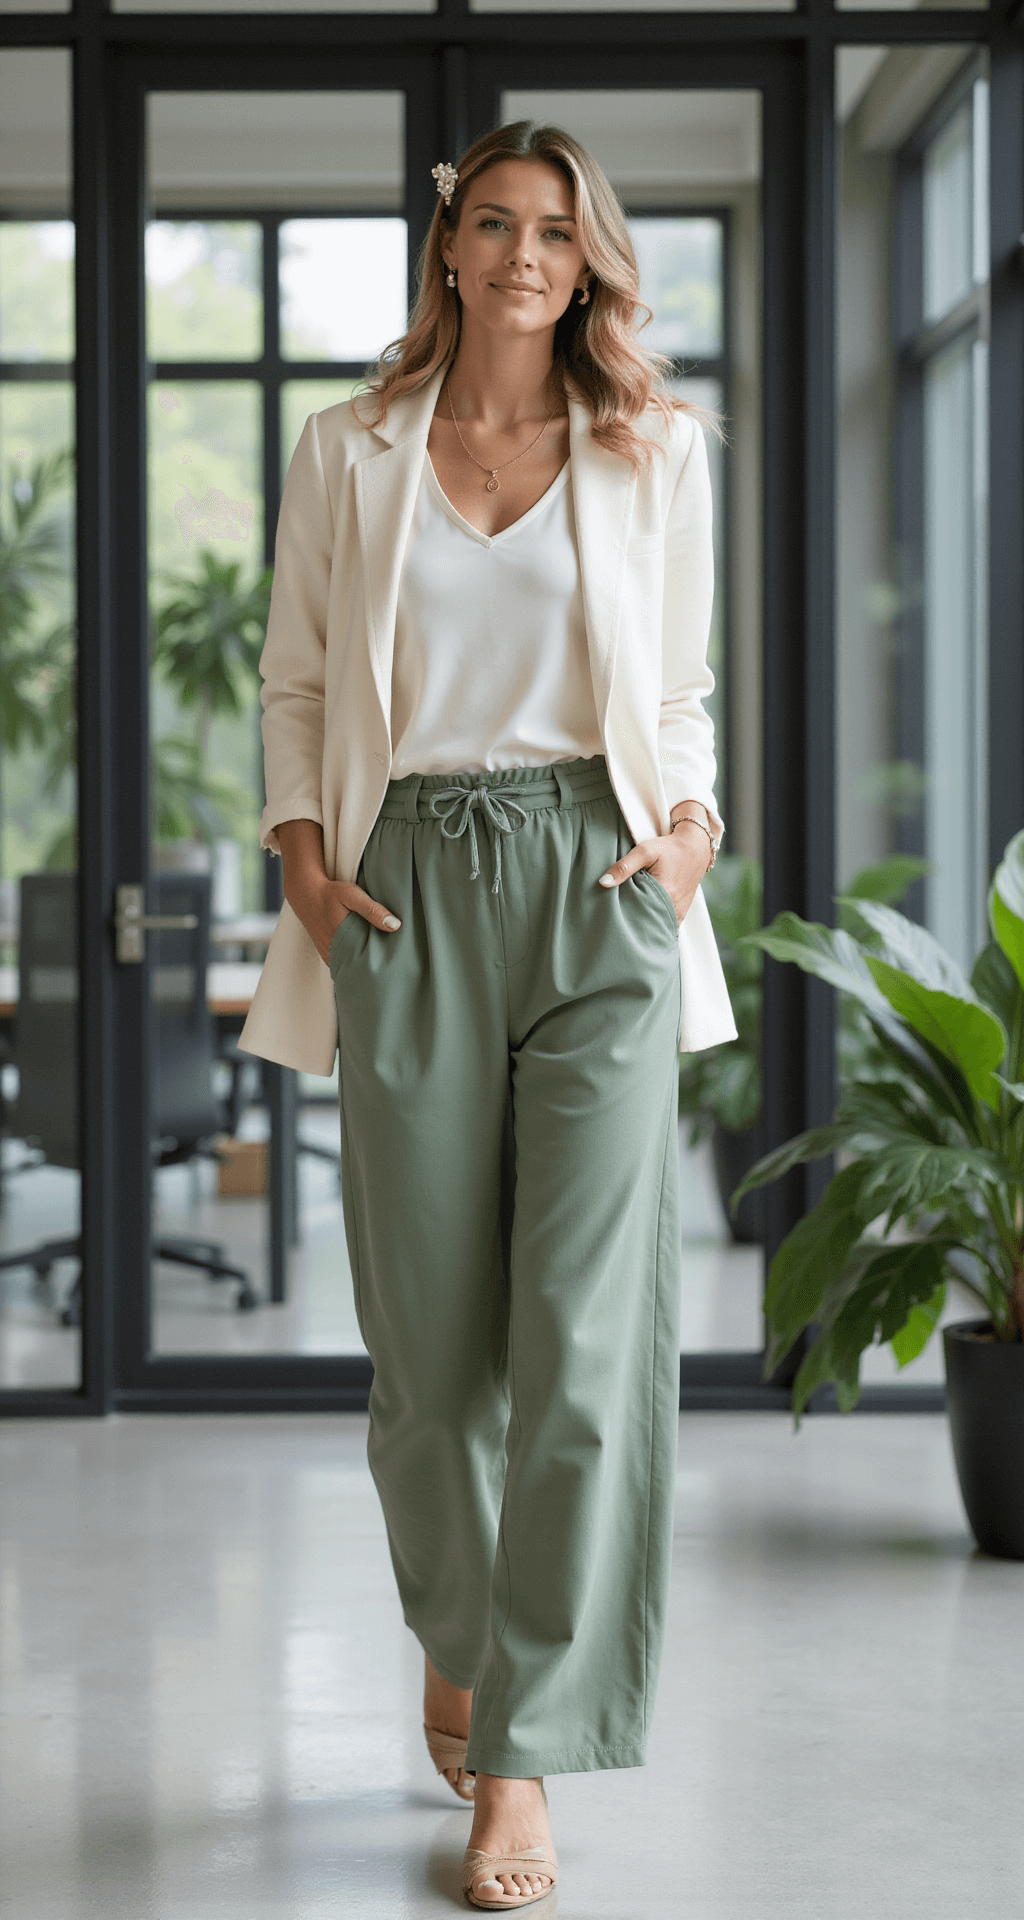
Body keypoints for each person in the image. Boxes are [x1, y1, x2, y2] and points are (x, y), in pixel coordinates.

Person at [239, 120, 738, 1911]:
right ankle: (456, 1628)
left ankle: (520, 1756)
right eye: (497, 225)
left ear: (590, 263)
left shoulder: (654, 448)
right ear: (449, 247)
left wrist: (688, 834)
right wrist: (304, 859)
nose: (529, 255)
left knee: (589, 1342)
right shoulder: (348, 449)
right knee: (429, 1357)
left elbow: (673, 685)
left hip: (600, 888)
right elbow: (300, 676)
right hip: (406, 887)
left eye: (561, 233)